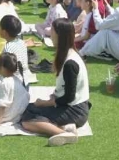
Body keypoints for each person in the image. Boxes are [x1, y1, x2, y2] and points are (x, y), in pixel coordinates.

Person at [20, 18, 91, 147]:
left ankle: (63, 132)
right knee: (30, 108)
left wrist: (46, 103)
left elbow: (69, 97)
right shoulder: (66, 54)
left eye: (52, 30)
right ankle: (66, 126)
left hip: (75, 110)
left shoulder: (70, 63)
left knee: (27, 120)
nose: (50, 32)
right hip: (72, 106)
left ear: (59, 35)